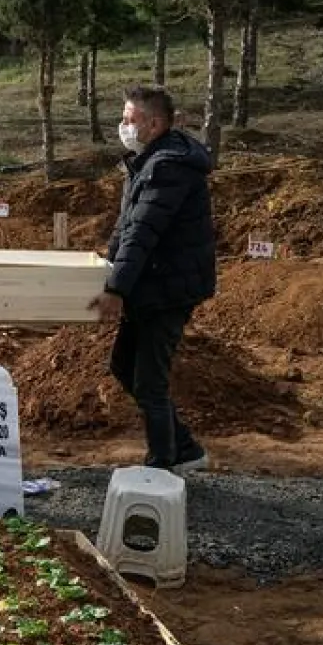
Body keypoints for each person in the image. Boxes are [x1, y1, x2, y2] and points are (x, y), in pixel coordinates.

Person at [89, 85, 215, 475]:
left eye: (130, 119)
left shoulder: (167, 167)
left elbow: (143, 232)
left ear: (155, 123)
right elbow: (126, 227)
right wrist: (108, 265)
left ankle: (162, 468)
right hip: (152, 283)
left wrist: (115, 289)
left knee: (149, 382)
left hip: (169, 289)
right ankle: (187, 449)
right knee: (124, 365)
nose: (123, 126)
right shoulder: (147, 160)